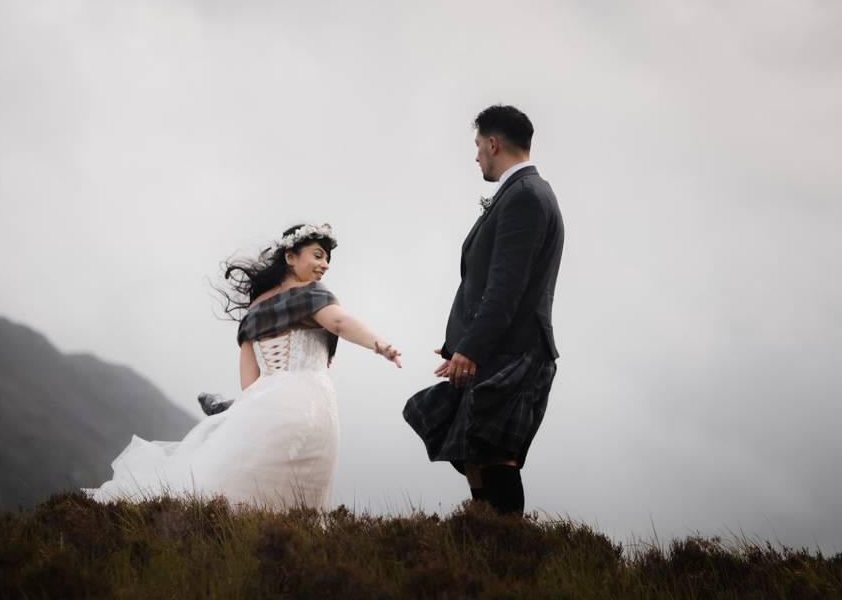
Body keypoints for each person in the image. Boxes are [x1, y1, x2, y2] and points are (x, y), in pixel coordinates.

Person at [85, 223, 402, 510]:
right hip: (311, 405)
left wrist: (242, 412)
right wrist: (380, 345)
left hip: (267, 405)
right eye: (318, 256)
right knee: (298, 499)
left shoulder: (254, 310)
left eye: (327, 261)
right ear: (290, 257)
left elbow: (250, 382)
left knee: (237, 491)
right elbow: (339, 322)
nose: (324, 265)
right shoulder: (312, 295)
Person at [403, 105, 564, 515]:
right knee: (472, 451)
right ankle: (485, 546)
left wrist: (472, 349)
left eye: (478, 146)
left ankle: (509, 555)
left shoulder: (525, 197)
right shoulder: (522, 193)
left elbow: (505, 289)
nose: (476, 156)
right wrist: (457, 345)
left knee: (495, 456)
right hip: (499, 347)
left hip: (512, 349)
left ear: (493, 144)